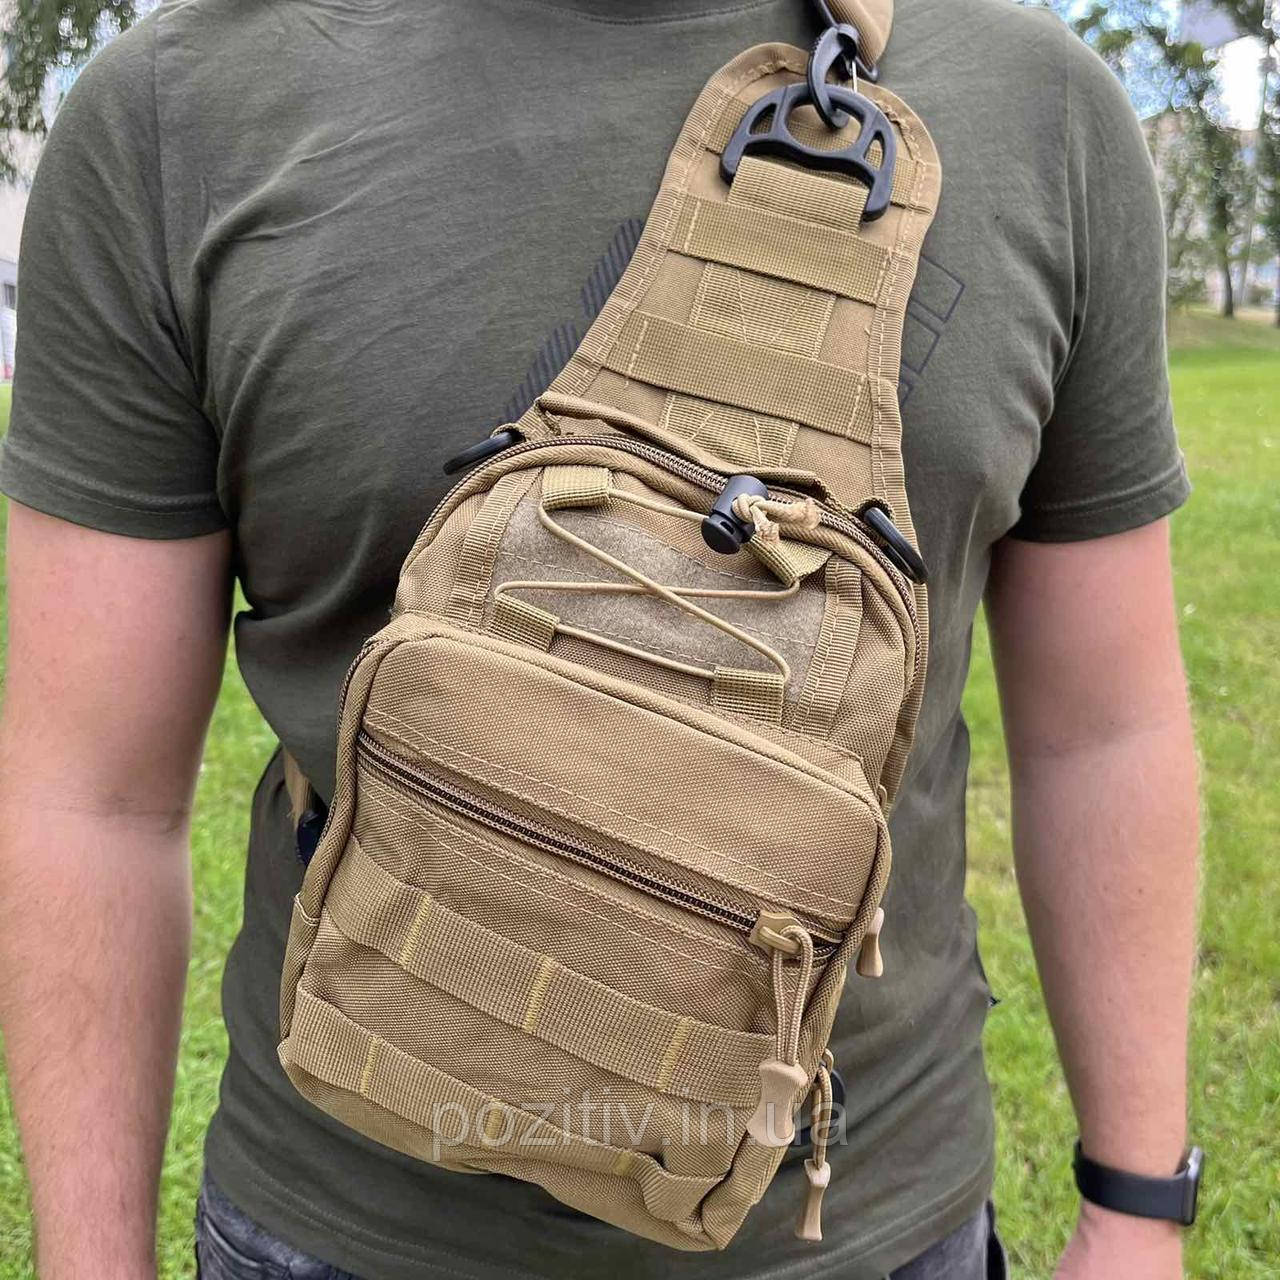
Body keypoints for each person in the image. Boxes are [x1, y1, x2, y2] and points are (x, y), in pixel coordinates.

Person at [0, 0, 1200, 1277]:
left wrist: (1135, 1207)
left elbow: (1102, 730)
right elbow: (91, 795)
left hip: (876, 1227)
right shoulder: (178, 115)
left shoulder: (1040, 113)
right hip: (336, 1226)